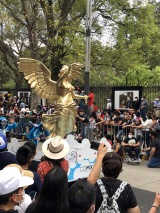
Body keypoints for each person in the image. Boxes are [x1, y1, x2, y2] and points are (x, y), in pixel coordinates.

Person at [18, 58, 88, 138]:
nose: (63, 71)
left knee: (66, 127)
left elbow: (73, 96)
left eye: (64, 70)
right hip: (62, 106)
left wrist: (83, 97)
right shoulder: (59, 83)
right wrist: (70, 68)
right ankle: (56, 143)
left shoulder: (68, 83)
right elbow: (64, 77)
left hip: (70, 107)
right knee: (61, 128)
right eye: (63, 70)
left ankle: (56, 142)